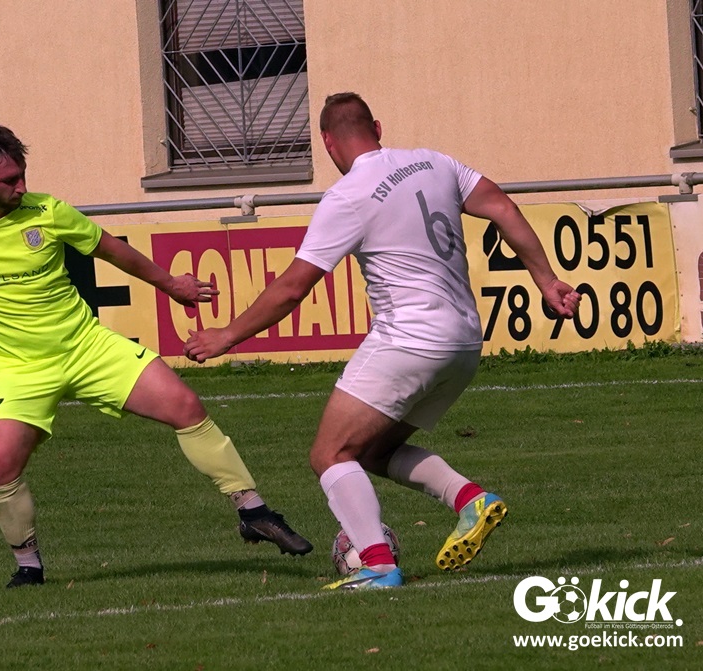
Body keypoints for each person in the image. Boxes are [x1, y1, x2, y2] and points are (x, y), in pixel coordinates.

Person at [0, 125, 312, 589]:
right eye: (9, 180)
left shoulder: (48, 211)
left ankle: (253, 511)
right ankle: (29, 566)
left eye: (22, 175)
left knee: (185, 405)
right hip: (19, 369)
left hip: (87, 347)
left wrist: (172, 284)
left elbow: (112, 249)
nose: (21, 187)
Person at [185, 92, 580, 590]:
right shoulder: (434, 163)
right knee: (372, 451)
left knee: (330, 454)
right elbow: (502, 206)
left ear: (327, 143)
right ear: (376, 127)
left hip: (409, 340)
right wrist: (546, 280)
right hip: (464, 342)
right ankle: (470, 500)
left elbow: (292, 288)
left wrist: (227, 335)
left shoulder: (348, 195)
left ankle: (376, 564)